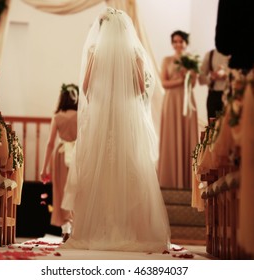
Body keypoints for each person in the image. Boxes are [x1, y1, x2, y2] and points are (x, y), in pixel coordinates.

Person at [60, 7, 171, 252]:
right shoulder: (134, 53)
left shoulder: (94, 52)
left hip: (103, 119)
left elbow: (86, 89)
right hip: (125, 117)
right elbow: (142, 89)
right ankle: (130, 228)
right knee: (129, 166)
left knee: (101, 170)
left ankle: (99, 228)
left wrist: (102, 101)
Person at [157, 30, 198, 190]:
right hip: (171, 100)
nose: (178, 44)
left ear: (186, 43)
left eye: (181, 41)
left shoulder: (191, 60)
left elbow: (193, 83)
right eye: (175, 41)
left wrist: (188, 75)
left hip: (186, 100)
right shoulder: (167, 60)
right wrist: (180, 79)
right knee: (171, 135)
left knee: (187, 135)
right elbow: (163, 83)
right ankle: (171, 179)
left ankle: (188, 180)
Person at [40, 84, 78, 243]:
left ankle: (65, 229)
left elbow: (50, 143)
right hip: (77, 153)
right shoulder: (81, 115)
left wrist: (44, 168)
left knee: (61, 191)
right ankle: (77, 227)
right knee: (77, 190)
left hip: (61, 155)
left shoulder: (57, 116)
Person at [198, 48, 230, 122]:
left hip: (230, 97)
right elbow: (201, 79)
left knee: (228, 129)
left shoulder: (237, 54)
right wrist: (211, 78)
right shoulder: (210, 54)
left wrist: (226, 75)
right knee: (212, 129)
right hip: (213, 97)